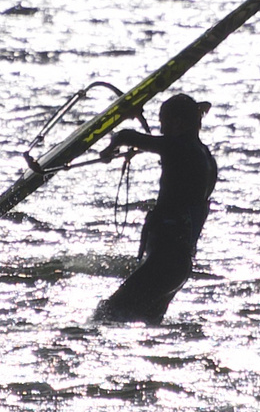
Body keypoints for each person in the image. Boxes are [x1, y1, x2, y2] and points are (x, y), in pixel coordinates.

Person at [91, 93, 217, 325]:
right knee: (145, 324)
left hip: (165, 261)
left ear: (178, 122)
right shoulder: (205, 156)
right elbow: (168, 155)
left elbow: (126, 135)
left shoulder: (179, 148)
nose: (161, 128)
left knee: (107, 315)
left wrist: (109, 150)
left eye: (163, 122)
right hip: (180, 264)